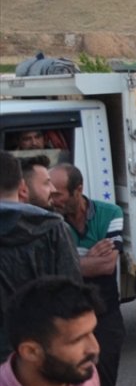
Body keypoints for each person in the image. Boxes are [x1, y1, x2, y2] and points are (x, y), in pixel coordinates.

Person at [48, 163, 126, 386]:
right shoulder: (50, 222)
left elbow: (107, 265)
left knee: (103, 385)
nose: (51, 199)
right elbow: (50, 270)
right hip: (65, 318)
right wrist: (83, 260)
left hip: (105, 315)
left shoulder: (111, 212)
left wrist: (70, 262)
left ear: (78, 190)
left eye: (57, 194)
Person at [0, 152, 83, 361]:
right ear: (22, 186)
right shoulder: (53, 229)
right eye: (47, 183)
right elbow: (71, 292)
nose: (53, 190)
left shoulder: (53, 228)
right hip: (40, 353)